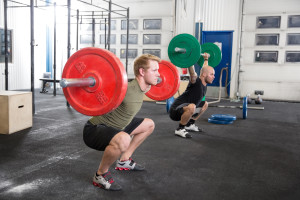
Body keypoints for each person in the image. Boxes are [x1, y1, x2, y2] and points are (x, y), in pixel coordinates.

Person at [83, 54, 161, 191]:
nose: (158, 74)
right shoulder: (126, 88)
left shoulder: (145, 87)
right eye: (154, 70)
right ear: (142, 72)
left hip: (119, 126)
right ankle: (100, 175)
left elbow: (159, 83)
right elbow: (102, 94)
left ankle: (124, 160)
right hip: (95, 129)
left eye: (158, 70)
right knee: (124, 139)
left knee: (149, 124)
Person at [169, 53, 215, 138]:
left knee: (205, 104)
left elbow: (205, 69)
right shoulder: (195, 81)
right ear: (204, 75)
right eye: (212, 74)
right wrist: (190, 59)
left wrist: (206, 59)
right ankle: (180, 129)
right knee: (192, 106)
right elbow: (192, 73)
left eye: (213, 74)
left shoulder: (204, 82)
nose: (214, 76)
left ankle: (189, 124)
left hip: (187, 108)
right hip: (175, 110)